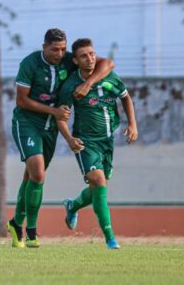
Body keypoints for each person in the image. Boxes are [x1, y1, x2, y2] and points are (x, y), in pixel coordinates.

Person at [7, 29, 115, 248]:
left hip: (50, 128)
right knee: (38, 173)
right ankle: (32, 231)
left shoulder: (68, 61)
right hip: (28, 123)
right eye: (55, 49)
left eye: (63, 49)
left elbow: (108, 64)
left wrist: (88, 83)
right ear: (44, 46)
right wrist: (54, 111)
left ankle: (16, 222)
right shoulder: (29, 64)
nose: (59, 53)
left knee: (31, 177)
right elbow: (21, 101)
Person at [57, 38, 138, 250]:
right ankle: (110, 238)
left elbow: (126, 98)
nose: (90, 58)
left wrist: (132, 124)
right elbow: (61, 117)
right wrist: (69, 139)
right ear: (75, 60)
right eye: (84, 55)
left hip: (107, 140)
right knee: (99, 181)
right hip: (85, 142)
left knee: (97, 188)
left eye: (92, 54)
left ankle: (72, 205)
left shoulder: (110, 78)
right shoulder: (71, 85)